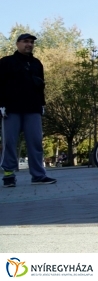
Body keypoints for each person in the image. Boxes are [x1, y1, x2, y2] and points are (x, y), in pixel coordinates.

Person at [0, 33, 57, 187]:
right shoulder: (6, 62)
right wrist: (1, 104)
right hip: (11, 109)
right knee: (9, 142)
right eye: (25, 41)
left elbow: (41, 85)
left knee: (35, 142)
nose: (29, 44)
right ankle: (9, 175)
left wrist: (42, 104)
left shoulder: (36, 63)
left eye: (31, 42)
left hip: (33, 109)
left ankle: (38, 175)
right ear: (17, 43)